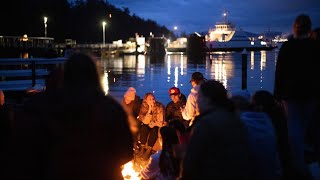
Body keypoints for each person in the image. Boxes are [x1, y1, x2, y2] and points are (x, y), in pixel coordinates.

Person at [6, 52, 134, 180]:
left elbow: (25, 154)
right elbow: (126, 153)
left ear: (66, 75)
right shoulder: (111, 109)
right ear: (95, 76)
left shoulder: (39, 107)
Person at [274, 14, 320, 179]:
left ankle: (298, 165)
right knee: (309, 124)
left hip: (291, 93)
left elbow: (279, 73)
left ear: (295, 27)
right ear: (309, 29)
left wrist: (277, 95)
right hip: (311, 93)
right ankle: (312, 160)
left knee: (294, 128)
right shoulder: (315, 47)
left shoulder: (287, 47)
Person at [179, 80, 252, 180]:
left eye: (200, 97)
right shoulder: (237, 120)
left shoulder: (205, 125)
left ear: (208, 100)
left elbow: (191, 163)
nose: (197, 101)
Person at [138, 92, 165, 161]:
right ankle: (142, 147)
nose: (152, 100)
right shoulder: (144, 107)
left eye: (153, 98)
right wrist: (149, 110)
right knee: (144, 127)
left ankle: (148, 150)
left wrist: (154, 123)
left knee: (155, 130)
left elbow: (161, 121)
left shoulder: (159, 106)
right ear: (146, 100)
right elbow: (145, 121)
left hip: (156, 125)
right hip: (148, 124)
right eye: (150, 99)